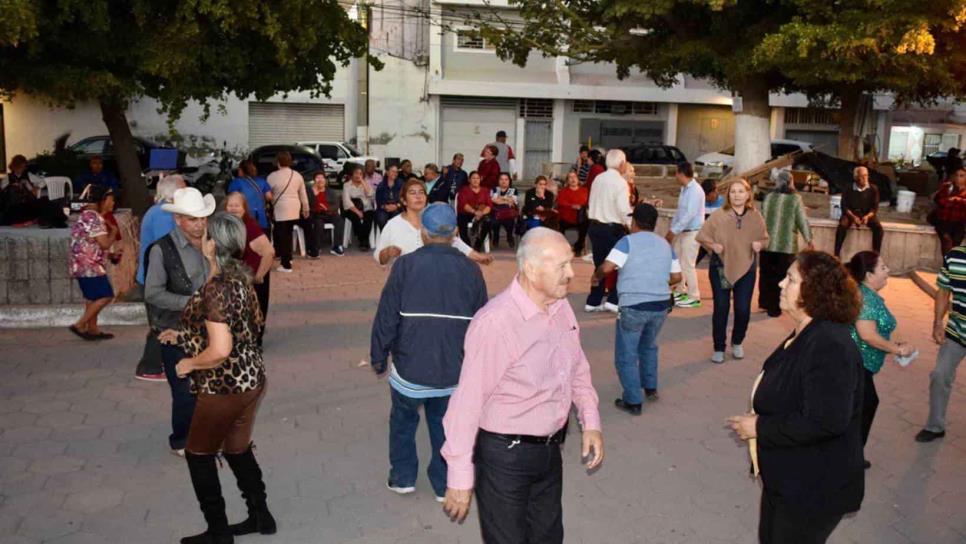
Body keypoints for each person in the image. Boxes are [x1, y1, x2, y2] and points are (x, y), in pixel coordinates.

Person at [440, 228, 604, 543]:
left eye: (570, 263)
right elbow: (467, 402)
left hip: (549, 452)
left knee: (548, 537)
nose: (571, 274)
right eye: (562, 266)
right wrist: (460, 476)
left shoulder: (560, 307)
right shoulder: (497, 322)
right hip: (506, 458)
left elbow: (576, 368)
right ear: (530, 269)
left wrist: (591, 421)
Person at [728, 251, 864, 544]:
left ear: (813, 290)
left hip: (814, 489)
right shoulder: (807, 332)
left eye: (790, 279)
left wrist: (759, 427)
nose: (780, 284)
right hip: (789, 480)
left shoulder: (830, 343)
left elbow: (827, 421)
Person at [157, 212, 275, 544]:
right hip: (252, 379)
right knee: (237, 449)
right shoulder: (240, 278)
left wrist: (189, 364)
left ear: (212, 245)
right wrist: (182, 335)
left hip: (224, 385)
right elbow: (235, 329)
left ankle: (219, 532)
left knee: (198, 454)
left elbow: (221, 349)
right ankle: (260, 516)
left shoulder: (218, 287)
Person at [370, 203, 488, 501]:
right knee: (444, 425)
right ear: (455, 233)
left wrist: (378, 354)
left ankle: (402, 477)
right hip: (453, 371)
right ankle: (442, 483)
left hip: (410, 368)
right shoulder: (471, 270)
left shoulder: (405, 266)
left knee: (402, 422)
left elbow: (387, 315)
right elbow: (483, 323)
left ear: (423, 232)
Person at [145, 187, 216, 456]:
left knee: (209, 386)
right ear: (178, 220)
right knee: (185, 390)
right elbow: (152, 293)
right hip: (174, 330)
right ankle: (182, 440)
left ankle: (206, 433)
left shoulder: (213, 244)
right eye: (192, 219)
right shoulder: (162, 250)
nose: (199, 225)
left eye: (202, 218)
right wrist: (189, 304)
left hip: (210, 328)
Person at [592, 203, 681, 415]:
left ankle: (633, 400)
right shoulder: (664, 245)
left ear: (634, 222)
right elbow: (677, 277)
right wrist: (657, 284)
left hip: (633, 305)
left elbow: (606, 268)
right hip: (661, 304)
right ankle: (650, 388)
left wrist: (596, 277)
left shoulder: (627, 242)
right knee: (649, 346)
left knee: (626, 353)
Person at [847, 251, 914, 467]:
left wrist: (895, 344)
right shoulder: (866, 298)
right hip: (856, 363)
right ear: (868, 275)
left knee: (859, 407)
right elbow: (867, 334)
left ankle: (848, 456)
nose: (888, 271)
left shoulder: (867, 294)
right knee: (865, 405)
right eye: (883, 268)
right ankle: (850, 459)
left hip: (860, 364)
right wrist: (897, 350)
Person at [697, 178, 769, 364]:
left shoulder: (755, 216)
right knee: (721, 307)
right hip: (720, 267)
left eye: (740, 191)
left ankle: (737, 341)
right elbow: (702, 236)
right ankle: (719, 347)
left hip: (747, 269)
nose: (737, 195)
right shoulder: (719, 215)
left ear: (747, 194)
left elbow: (765, 238)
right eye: (733, 191)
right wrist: (713, 246)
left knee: (742, 309)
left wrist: (759, 244)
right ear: (728, 195)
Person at [136, 175, 187, 381]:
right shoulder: (164, 214)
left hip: (152, 277)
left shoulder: (158, 211)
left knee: (163, 322)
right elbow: (169, 249)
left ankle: (158, 364)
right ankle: (150, 367)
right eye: (184, 188)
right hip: (157, 279)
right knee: (163, 324)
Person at [374, 179, 492, 266]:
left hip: (435, 275)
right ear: (404, 201)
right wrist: (388, 252)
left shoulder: (436, 219)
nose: (418, 196)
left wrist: (479, 257)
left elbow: (456, 242)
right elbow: (379, 258)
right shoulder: (393, 225)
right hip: (405, 280)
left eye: (421, 192)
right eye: (412, 193)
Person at [915, 242, 966, 443]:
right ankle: (935, 426)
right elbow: (943, 291)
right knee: (939, 374)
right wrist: (937, 323)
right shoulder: (954, 257)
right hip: (956, 331)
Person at [758, 171, 814, 317]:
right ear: (791, 182)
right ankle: (776, 307)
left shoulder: (769, 197)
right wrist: (809, 239)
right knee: (781, 275)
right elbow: (802, 220)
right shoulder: (795, 199)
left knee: (766, 274)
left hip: (768, 244)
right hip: (786, 245)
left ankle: (765, 302)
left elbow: (762, 218)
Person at [67, 186, 119, 341]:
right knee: (105, 295)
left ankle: (93, 329)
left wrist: (109, 255)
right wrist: (114, 233)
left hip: (81, 265)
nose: (113, 203)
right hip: (89, 266)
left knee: (91, 298)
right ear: (102, 200)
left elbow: (89, 243)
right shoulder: (94, 217)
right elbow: (103, 243)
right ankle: (79, 324)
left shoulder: (86, 216)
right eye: (111, 199)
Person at [585, 149, 632, 313]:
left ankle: (593, 300)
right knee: (621, 264)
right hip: (612, 228)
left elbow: (591, 201)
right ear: (621, 164)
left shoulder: (598, 178)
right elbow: (623, 210)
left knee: (600, 265)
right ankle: (613, 299)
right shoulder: (620, 182)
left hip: (595, 225)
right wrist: (632, 226)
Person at [224, 192, 275, 344]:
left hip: (254, 276)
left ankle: (254, 343)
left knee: (255, 311)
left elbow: (269, 252)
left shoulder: (250, 227)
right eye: (230, 205)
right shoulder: (230, 224)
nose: (233, 209)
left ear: (244, 208)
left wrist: (259, 275)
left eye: (237, 205)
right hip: (239, 276)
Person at [667, 162, 705, 309]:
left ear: (681, 173)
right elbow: (680, 212)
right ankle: (681, 289)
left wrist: (673, 231)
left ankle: (694, 296)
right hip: (683, 232)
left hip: (692, 232)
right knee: (679, 262)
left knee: (688, 265)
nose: (675, 176)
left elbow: (689, 214)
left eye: (676, 173)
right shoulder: (685, 189)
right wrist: (673, 229)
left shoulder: (695, 190)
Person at [267, 151, 309, 272]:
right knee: (288, 234)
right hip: (295, 208)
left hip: (281, 209)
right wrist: (305, 209)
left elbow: (268, 194)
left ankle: (286, 265)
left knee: (283, 236)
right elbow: (303, 194)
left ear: (278, 162)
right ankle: (288, 258)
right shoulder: (297, 175)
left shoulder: (272, 176)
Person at [835, 166, 883, 257]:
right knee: (842, 226)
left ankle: (876, 255)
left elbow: (874, 208)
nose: (865, 178)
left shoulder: (873, 189)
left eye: (866, 175)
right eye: (862, 176)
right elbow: (844, 206)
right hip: (851, 213)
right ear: (856, 177)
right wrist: (853, 217)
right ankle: (836, 254)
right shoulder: (848, 188)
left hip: (867, 214)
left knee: (878, 228)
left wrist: (867, 216)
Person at [226, 160, 273, 232]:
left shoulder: (236, 182)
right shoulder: (262, 181)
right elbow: (269, 197)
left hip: (244, 218)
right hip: (260, 217)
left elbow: (231, 198)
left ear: (241, 170)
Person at [929, 165, 966, 256]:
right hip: (943, 220)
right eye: (957, 175)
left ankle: (949, 264)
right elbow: (939, 200)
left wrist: (956, 200)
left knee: (955, 243)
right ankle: (947, 264)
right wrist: (952, 201)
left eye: (962, 176)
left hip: (959, 222)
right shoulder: (947, 187)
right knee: (946, 239)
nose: (958, 178)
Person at [306, 171, 345, 257]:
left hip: (330, 213)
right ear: (314, 180)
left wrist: (327, 209)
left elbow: (336, 205)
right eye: (317, 178)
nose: (320, 180)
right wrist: (315, 193)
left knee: (339, 221)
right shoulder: (310, 191)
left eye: (322, 178)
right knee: (318, 224)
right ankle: (316, 247)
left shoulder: (330, 191)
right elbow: (309, 205)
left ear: (325, 180)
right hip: (317, 214)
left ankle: (337, 246)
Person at [456, 171, 493, 252]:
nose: (476, 180)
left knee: (488, 221)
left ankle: (478, 244)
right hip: (466, 214)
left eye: (477, 178)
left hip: (481, 214)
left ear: (480, 179)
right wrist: (475, 212)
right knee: (461, 223)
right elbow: (464, 205)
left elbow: (489, 206)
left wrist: (481, 213)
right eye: (473, 178)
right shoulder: (464, 190)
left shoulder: (485, 190)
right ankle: (467, 247)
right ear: (469, 180)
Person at [341, 165, 376, 251]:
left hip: (366, 207)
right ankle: (363, 240)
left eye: (360, 174)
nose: (358, 175)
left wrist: (363, 182)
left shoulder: (365, 184)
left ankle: (363, 240)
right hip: (352, 208)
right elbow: (346, 201)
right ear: (352, 174)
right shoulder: (347, 185)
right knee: (355, 218)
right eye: (356, 173)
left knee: (369, 218)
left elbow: (371, 194)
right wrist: (357, 212)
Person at [556, 171, 590, 255]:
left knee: (586, 224)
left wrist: (582, 207)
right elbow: (560, 202)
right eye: (570, 177)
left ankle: (578, 247)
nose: (573, 179)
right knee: (558, 225)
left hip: (580, 218)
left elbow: (588, 203)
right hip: (566, 218)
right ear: (567, 181)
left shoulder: (584, 191)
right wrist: (572, 206)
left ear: (578, 179)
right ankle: (562, 248)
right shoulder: (563, 191)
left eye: (574, 177)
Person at [694, 178, 725, 266]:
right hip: (703, 238)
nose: (706, 198)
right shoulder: (700, 202)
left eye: (707, 196)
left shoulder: (724, 203)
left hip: (718, 239)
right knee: (693, 260)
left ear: (714, 191)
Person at [489, 173, 520, 249]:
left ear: (509, 181)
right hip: (496, 213)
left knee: (509, 221)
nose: (504, 181)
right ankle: (496, 238)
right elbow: (494, 201)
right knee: (495, 222)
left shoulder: (513, 190)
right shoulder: (494, 189)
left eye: (506, 179)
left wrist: (500, 198)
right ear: (498, 181)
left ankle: (509, 237)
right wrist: (506, 199)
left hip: (508, 213)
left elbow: (513, 202)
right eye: (501, 179)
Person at [375, 165, 403, 230]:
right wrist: (385, 207)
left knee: (396, 219)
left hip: (398, 207)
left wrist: (397, 206)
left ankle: (395, 238)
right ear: (387, 172)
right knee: (382, 219)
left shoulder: (401, 184)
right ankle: (385, 237)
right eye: (393, 171)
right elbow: (378, 201)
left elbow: (403, 198)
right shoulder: (381, 185)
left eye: (396, 172)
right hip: (384, 208)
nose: (395, 174)